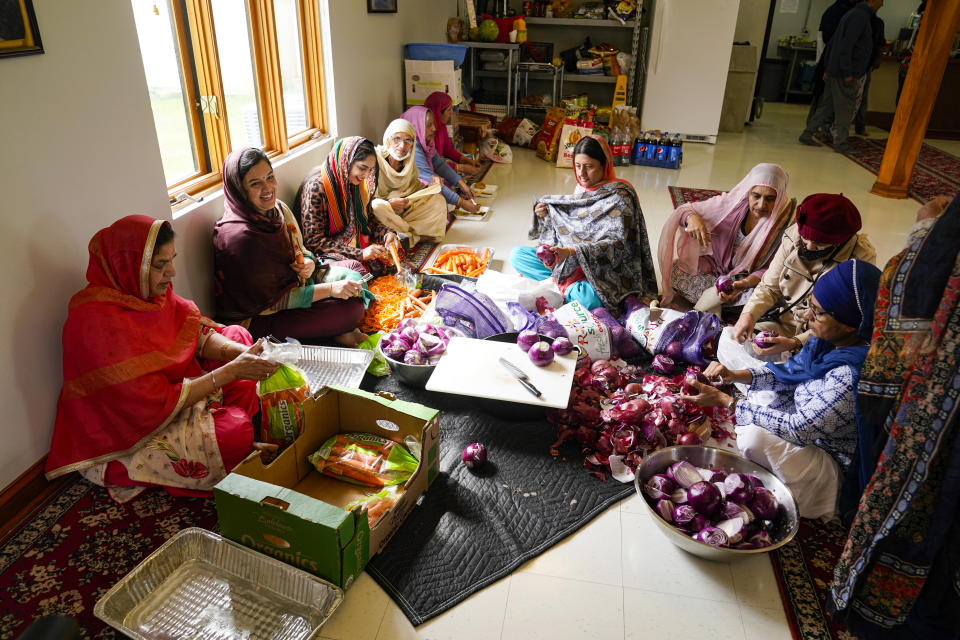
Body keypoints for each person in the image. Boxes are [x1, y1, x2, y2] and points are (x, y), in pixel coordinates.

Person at [45, 216, 280, 503]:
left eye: (171, 260)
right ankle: (230, 444)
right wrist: (230, 372)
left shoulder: (147, 291)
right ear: (128, 267)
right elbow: (149, 403)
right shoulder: (93, 322)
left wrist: (239, 354)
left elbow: (195, 334)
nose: (172, 273)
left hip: (175, 393)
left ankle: (230, 444)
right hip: (132, 430)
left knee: (238, 336)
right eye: (160, 265)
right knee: (236, 430)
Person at [829, 194, 959, 639]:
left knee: (911, 510)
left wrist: (928, 233)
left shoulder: (927, 261)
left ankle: (890, 612)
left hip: (924, 422)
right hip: (926, 417)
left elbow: (907, 301)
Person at [683, 259, 882, 519]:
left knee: (755, 436)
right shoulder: (826, 342)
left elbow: (797, 429)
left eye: (818, 313)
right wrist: (735, 375)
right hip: (798, 407)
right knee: (728, 341)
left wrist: (727, 402)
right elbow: (789, 373)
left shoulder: (849, 375)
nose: (808, 318)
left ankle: (808, 497)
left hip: (824, 459)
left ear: (848, 322)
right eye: (811, 307)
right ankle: (749, 400)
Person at [213, 147, 372, 347]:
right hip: (261, 318)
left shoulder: (277, 209)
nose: (268, 188)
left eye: (270, 177)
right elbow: (274, 301)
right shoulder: (240, 239)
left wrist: (308, 262)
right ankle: (336, 331)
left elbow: (303, 250)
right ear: (239, 189)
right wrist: (331, 289)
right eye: (255, 183)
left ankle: (335, 329)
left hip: (298, 286)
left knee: (354, 269)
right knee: (350, 310)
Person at [509, 135, 657, 310]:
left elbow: (618, 246)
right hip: (570, 262)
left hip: (604, 270)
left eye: (589, 167)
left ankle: (562, 285)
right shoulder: (582, 189)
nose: (581, 173)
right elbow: (574, 225)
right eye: (577, 166)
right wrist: (547, 214)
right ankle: (566, 286)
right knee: (517, 255)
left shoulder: (620, 196)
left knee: (589, 300)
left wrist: (572, 251)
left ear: (605, 165)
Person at [730, 192, 876, 356]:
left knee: (784, 371)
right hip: (785, 321)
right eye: (805, 238)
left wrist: (796, 343)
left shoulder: (860, 257)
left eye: (820, 243)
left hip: (824, 338)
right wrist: (749, 315)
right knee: (732, 340)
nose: (809, 247)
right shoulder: (794, 234)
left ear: (841, 240)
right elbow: (769, 287)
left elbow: (843, 322)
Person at [658, 163, 794, 316]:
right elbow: (685, 210)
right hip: (714, 269)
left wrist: (742, 284)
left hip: (746, 283)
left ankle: (714, 303)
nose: (761, 205)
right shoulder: (732, 205)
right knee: (676, 270)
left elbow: (772, 270)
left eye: (770, 198)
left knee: (769, 297)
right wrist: (692, 217)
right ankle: (721, 305)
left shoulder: (784, 225)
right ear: (748, 192)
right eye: (756, 196)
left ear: (780, 196)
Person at [296, 137, 400, 278]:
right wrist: (360, 254)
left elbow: (369, 220)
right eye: (362, 168)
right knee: (355, 269)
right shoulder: (316, 187)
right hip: (324, 253)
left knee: (396, 245)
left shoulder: (354, 184)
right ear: (346, 162)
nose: (365, 175)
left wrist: (387, 234)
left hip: (352, 241)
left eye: (370, 170)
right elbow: (313, 241)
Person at [800, 0, 884, 153]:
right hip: (844, 73)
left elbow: (834, 43)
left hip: (835, 70)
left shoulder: (852, 14)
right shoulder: (859, 16)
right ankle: (842, 145)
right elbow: (846, 46)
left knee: (826, 107)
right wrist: (847, 73)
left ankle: (807, 134)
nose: (883, 3)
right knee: (845, 109)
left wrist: (828, 67)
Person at [369, 118, 450, 247]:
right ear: (387, 140)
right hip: (385, 213)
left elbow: (414, 188)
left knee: (438, 201)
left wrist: (430, 187)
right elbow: (364, 199)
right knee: (377, 206)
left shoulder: (408, 163)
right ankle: (414, 236)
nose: (402, 146)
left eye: (408, 141)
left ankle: (405, 236)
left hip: (403, 210)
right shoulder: (374, 160)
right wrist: (389, 203)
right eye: (397, 139)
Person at [400, 105, 479, 215]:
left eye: (433, 124)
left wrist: (461, 184)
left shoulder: (426, 144)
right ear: (415, 126)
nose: (434, 128)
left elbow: (439, 164)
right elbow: (429, 180)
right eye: (428, 125)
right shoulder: (412, 147)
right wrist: (462, 203)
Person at [808, 0, 857, 126]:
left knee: (824, 98)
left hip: (828, 59)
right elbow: (829, 40)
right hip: (830, 60)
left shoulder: (836, 10)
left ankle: (814, 127)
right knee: (825, 99)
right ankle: (815, 126)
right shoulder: (840, 12)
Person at [423, 91, 484, 177]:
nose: (451, 112)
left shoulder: (441, 126)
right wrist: (461, 168)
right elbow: (434, 164)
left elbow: (447, 149)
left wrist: (465, 160)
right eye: (449, 110)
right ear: (438, 112)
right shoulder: (426, 133)